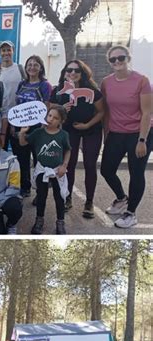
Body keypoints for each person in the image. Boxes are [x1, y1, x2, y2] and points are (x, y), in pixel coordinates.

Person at [100, 45, 152, 228]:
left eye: (120, 58)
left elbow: (147, 113)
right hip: (116, 132)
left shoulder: (142, 81)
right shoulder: (106, 82)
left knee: (136, 173)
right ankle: (121, 198)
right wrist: (106, 134)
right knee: (106, 169)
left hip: (139, 133)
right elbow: (106, 111)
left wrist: (142, 140)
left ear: (128, 58)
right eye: (113, 59)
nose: (117, 62)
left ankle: (131, 213)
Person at [49, 59, 104, 216]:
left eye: (76, 70)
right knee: (69, 164)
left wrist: (87, 125)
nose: (72, 73)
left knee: (89, 164)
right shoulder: (58, 90)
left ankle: (89, 202)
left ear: (83, 73)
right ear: (64, 73)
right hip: (69, 130)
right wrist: (60, 109)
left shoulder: (92, 90)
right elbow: (49, 109)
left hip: (91, 129)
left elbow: (101, 112)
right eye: (69, 70)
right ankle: (68, 198)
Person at [19, 104, 71, 235]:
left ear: (61, 121)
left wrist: (64, 166)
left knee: (59, 197)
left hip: (57, 170)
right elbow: (23, 143)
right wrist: (22, 133)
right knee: (41, 196)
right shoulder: (38, 133)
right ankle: (39, 220)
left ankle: (60, 222)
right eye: (50, 115)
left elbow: (68, 150)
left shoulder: (63, 135)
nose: (51, 119)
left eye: (55, 118)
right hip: (42, 170)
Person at [11, 55, 52, 198]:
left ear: (41, 68)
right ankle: (25, 187)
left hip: (37, 128)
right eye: (29, 64)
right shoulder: (22, 84)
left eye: (36, 64)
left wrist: (43, 128)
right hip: (20, 127)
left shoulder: (45, 85)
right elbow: (17, 105)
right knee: (22, 158)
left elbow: (46, 107)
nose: (32, 67)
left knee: (38, 161)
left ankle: (40, 191)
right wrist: (13, 125)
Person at [0, 40, 26, 117]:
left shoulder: (20, 68)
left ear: (13, 51)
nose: (6, 53)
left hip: (18, 113)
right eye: (3, 50)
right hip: (1, 114)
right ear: (0, 53)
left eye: (9, 50)